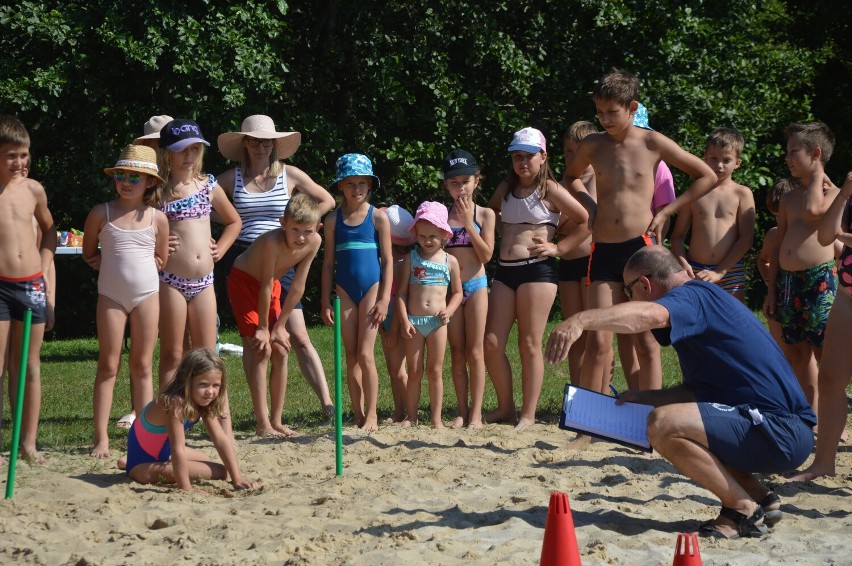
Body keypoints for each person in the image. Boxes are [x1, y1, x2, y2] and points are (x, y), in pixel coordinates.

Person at [545, 246, 816, 539]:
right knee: (667, 417)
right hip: (775, 428)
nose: (628, 297)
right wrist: (647, 398)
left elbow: (650, 314)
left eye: (628, 290)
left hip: (779, 431)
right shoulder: (703, 304)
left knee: (663, 425)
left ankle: (741, 511)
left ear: (645, 284)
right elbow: (697, 391)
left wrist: (579, 321)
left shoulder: (692, 295)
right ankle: (759, 495)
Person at [563, 69, 717, 409]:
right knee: (598, 340)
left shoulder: (651, 142)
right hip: (603, 248)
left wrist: (666, 212)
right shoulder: (592, 145)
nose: (604, 119)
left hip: (640, 249)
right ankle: (587, 424)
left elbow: (706, 175)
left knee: (647, 341)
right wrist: (591, 207)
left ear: (632, 108)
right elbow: (570, 177)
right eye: (599, 112)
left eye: (612, 112)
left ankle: (651, 414)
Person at [216, 115, 336, 419]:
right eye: (255, 140)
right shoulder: (232, 178)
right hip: (245, 255)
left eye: (266, 141)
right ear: (245, 143)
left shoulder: (290, 174)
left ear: (275, 144)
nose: (260, 146)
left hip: (288, 249)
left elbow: (327, 200)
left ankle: (327, 404)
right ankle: (264, 416)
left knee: (297, 333)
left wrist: (303, 225)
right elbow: (202, 204)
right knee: (258, 338)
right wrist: (229, 223)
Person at [484, 127, 588, 431]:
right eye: (517, 156)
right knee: (492, 343)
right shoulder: (506, 186)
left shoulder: (551, 190)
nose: (523, 162)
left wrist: (559, 247)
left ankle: (528, 414)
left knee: (529, 343)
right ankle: (506, 407)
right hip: (505, 271)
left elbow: (585, 220)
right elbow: (491, 213)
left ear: (543, 157)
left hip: (537, 271)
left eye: (529, 155)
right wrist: (502, 235)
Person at [156, 119, 241, 438]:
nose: (189, 155)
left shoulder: (208, 185)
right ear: (167, 154)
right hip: (171, 281)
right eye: (182, 150)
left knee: (210, 356)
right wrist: (159, 243)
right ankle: (168, 427)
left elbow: (234, 221)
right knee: (172, 354)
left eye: (195, 149)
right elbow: (143, 228)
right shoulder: (158, 191)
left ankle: (224, 428)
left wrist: (221, 248)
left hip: (204, 282)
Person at [83, 145, 170, 458]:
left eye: (136, 177)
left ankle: (142, 437)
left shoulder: (157, 218)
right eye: (121, 175)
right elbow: (88, 252)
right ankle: (101, 438)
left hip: (147, 295)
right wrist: (98, 261)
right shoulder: (100, 212)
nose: (127, 181)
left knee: (143, 365)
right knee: (108, 364)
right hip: (111, 296)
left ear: (150, 182)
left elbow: (161, 256)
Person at [227, 193, 323, 436]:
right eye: (295, 230)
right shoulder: (271, 242)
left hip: (272, 287)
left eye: (308, 231)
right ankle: (262, 423)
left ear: (317, 228)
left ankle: (277, 420)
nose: (301, 237)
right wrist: (262, 327)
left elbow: (299, 285)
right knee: (262, 348)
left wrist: (280, 326)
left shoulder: (315, 242)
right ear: (283, 224)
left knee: (281, 348)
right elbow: (265, 285)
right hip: (245, 284)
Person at [763, 122, 838, 422]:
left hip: (819, 281)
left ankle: (834, 421)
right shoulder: (790, 199)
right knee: (796, 354)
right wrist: (771, 290)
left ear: (816, 153)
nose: (788, 157)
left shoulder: (832, 195)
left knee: (825, 355)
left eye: (794, 151)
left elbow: (813, 212)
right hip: (788, 284)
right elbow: (780, 240)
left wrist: (819, 174)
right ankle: (812, 415)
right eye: (787, 151)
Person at [119, 348, 259, 493]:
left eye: (215, 385)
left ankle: (127, 460)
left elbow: (221, 440)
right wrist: (186, 489)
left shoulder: (201, 401)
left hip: (161, 453)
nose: (210, 392)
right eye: (203, 384)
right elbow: (177, 449)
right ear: (187, 381)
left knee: (211, 463)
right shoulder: (175, 403)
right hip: (143, 467)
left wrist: (238, 479)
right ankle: (131, 464)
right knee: (221, 472)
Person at [321, 154, 393, 432]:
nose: (356, 189)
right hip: (345, 289)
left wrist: (385, 299)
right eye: (350, 183)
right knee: (351, 354)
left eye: (362, 183)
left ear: (370, 185)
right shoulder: (332, 220)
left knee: (365, 353)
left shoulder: (378, 217)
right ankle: (357, 412)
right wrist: (325, 299)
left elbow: (387, 262)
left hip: (372, 288)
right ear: (340, 186)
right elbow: (328, 263)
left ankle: (373, 414)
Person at [0, 115, 56, 466]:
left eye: (24, 155)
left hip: (32, 283)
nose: (20, 163)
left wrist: (46, 267)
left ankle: (28, 443)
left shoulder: (34, 189)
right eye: (10, 156)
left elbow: (49, 230)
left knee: (29, 366)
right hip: (1, 286)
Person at [790, 171, 852, 481]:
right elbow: (827, 235)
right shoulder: (849, 195)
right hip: (846, 297)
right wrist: (844, 194)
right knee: (830, 381)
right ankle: (824, 463)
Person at [396, 201, 463, 428]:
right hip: (414, 323)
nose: (427, 240)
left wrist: (450, 310)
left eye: (433, 236)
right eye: (422, 235)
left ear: (445, 233)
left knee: (435, 371)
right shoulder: (411, 259)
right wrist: (404, 319)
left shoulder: (450, 261)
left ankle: (436, 419)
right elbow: (401, 293)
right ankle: (412, 417)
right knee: (414, 371)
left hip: (437, 323)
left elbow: (457, 293)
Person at [442, 150, 495, 430]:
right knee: (457, 352)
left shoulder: (485, 214)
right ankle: (461, 411)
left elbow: (486, 255)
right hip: (451, 291)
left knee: (476, 351)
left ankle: (476, 414)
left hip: (476, 286)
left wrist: (467, 225)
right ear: (446, 185)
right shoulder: (441, 214)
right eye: (453, 182)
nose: (459, 187)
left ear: (477, 181)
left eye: (465, 181)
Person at [671, 127, 755, 303]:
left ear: (738, 162)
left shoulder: (742, 194)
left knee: (732, 324)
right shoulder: (695, 192)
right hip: (694, 270)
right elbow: (677, 237)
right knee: (696, 323)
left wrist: (720, 271)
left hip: (730, 271)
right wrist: (683, 263)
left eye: (726, 160)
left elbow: (746, 238)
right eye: (714, 159)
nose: (719, 165)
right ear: (705, 158)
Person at [380, 205, 417, 423]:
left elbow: (398, 297)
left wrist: (392, 328)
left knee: (398, 368)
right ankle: (399, 410)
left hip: (396, 319)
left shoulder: (400, 264)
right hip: (389, 317)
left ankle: (405, 411)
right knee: (394, 368)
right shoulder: (393, 260)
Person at [758, 178, 798, 345]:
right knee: (780, 346)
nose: (780, 222)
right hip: (779, 297)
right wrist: (769, 281)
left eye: (784, 216)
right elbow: (762, 260)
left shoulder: (809, 233)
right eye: (776, 217)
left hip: (805, 295)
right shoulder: (773, 235)